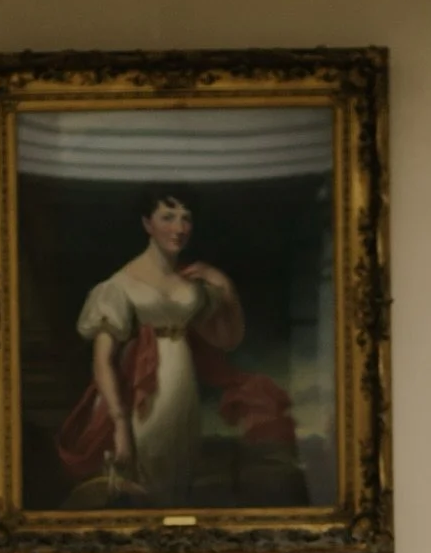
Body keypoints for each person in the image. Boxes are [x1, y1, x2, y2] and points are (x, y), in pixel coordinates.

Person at [56, 187, 296, 506]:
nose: (179, 228)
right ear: (146, 224)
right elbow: (103, 361)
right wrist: (120, 425)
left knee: (179, 475)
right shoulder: (118, 285)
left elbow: (227, 339)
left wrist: (224, 285)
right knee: (144, 481)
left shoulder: (192, 283)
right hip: (141, 397)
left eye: (186, 219)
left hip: (183, 391)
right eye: (167, 217)